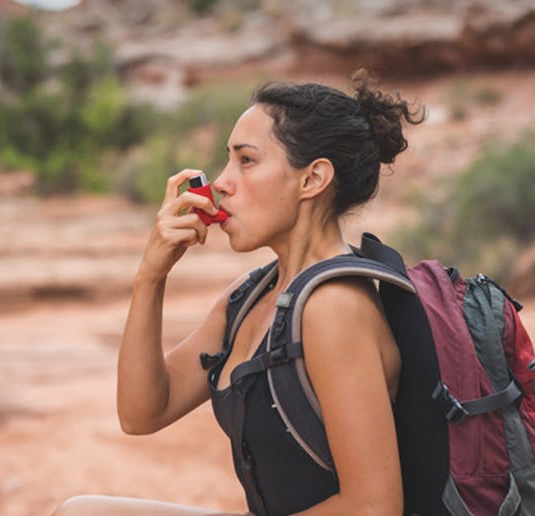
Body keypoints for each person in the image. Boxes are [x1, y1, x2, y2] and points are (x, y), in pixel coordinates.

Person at [52, 70, 423, 516]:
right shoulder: (250, 297)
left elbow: (373, 508)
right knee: (81, 512)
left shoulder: (335, 308)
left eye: (246, 161)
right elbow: (143, 412)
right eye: (227, 161)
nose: (223, 183)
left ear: (313, 179)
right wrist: (151, 278)